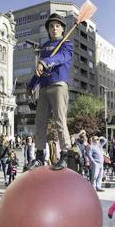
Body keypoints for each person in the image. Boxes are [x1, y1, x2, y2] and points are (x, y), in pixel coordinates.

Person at [26, 13, 74, 170]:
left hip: (58, 84)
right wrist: (32, 85)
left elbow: (62, 57)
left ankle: (65, 155)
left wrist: (45, 62)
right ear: (48, 29)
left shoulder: (67, 44)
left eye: (57, 25)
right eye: (51, 26)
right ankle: (40, 156)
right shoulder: (44, 47)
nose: (54, 28)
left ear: (62, 29)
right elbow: (39, 70)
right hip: (44, 87)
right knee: (40, 122)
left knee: (60, 120)